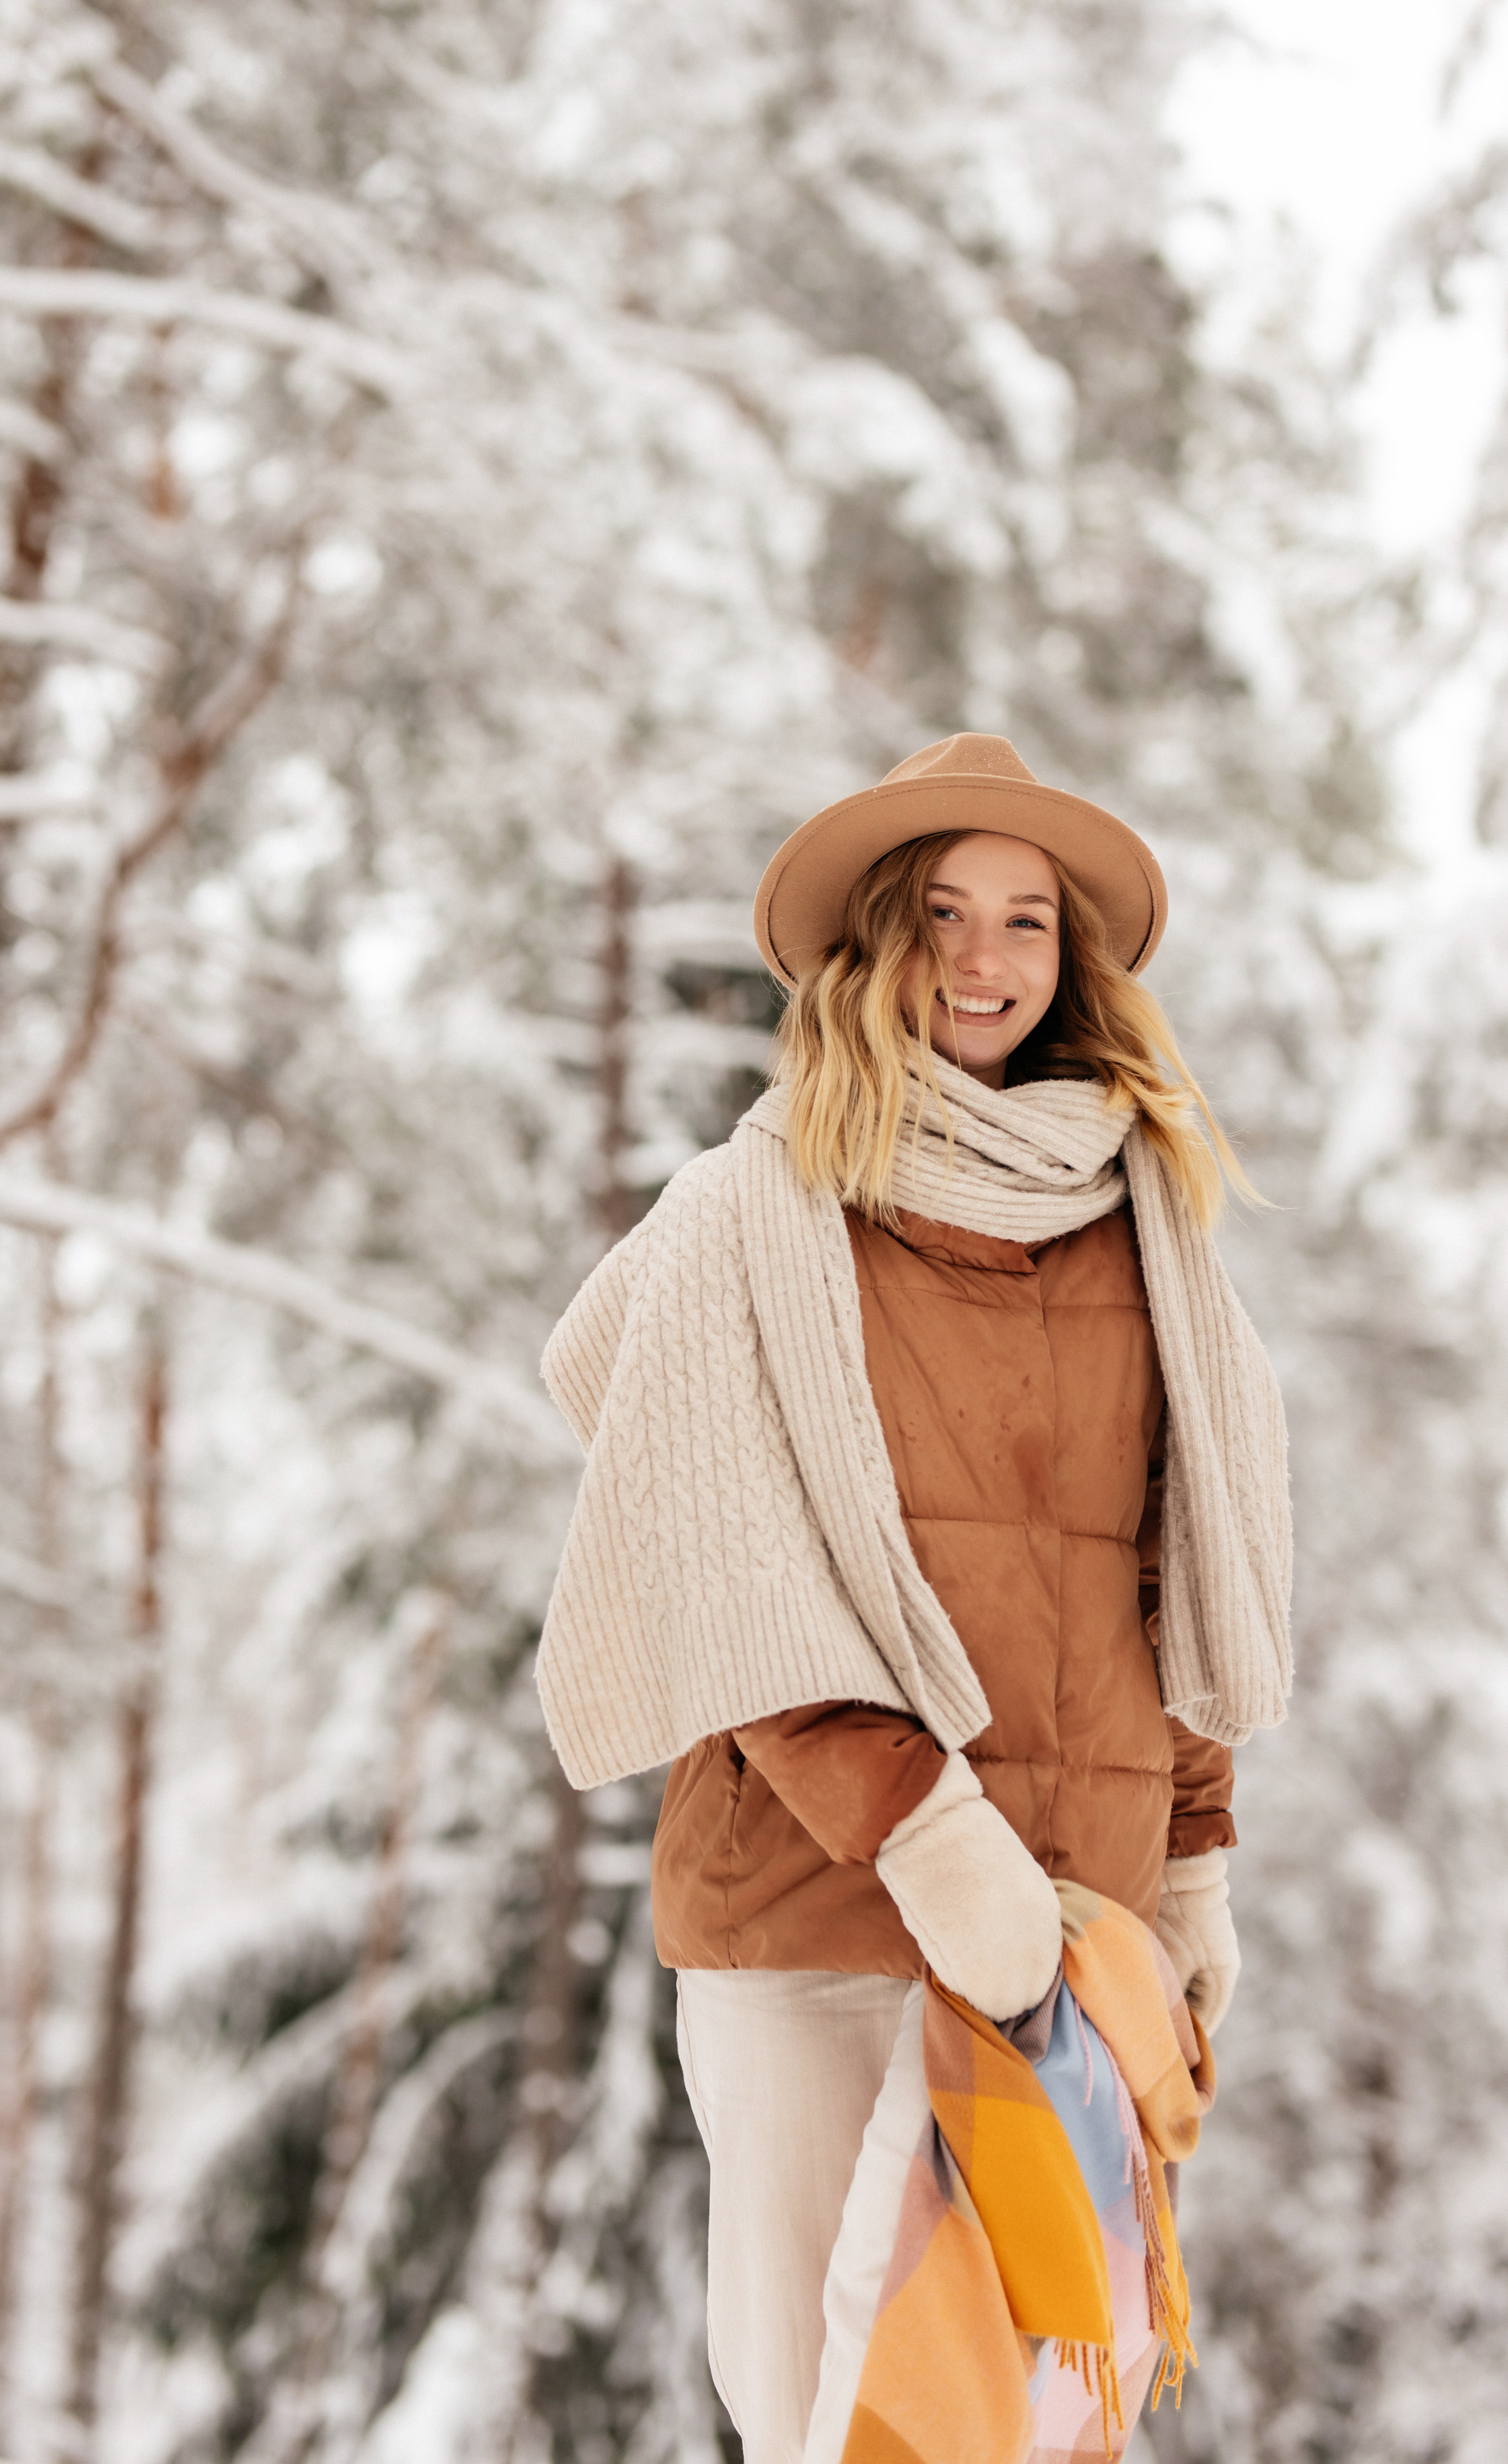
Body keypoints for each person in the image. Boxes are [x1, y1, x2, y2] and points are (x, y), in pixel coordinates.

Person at [536, 733, 1293, 2464]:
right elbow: (727, 1567)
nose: (982, 957)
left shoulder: (1150, 1235)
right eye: (941, 912)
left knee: (1028, 2423)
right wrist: (924, 1837)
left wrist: (1188, 1863)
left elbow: (1176, 1579)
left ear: (1070, 961)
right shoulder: (750, 1213)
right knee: (832, 2421)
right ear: (871, 943)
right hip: (812, 1919)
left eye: (1025, 920)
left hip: (1067, 1940)